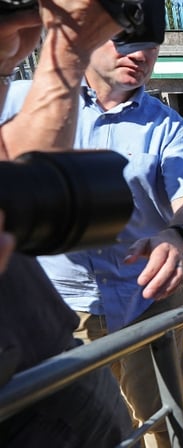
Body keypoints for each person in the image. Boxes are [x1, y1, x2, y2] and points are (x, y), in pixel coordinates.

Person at [4, 4, 183, 445]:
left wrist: (176, 234)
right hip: (62, 309)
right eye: (124, 40)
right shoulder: (21, 99)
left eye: (151, 47)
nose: (140, 55)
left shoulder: (167, 125)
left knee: (166, 424)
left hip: (144, 301)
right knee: (77, 429)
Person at [0, 1, 133, 445]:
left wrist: (4, 66)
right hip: (23, 406)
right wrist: (68, 50)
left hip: (50, 349)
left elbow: (14, 161)